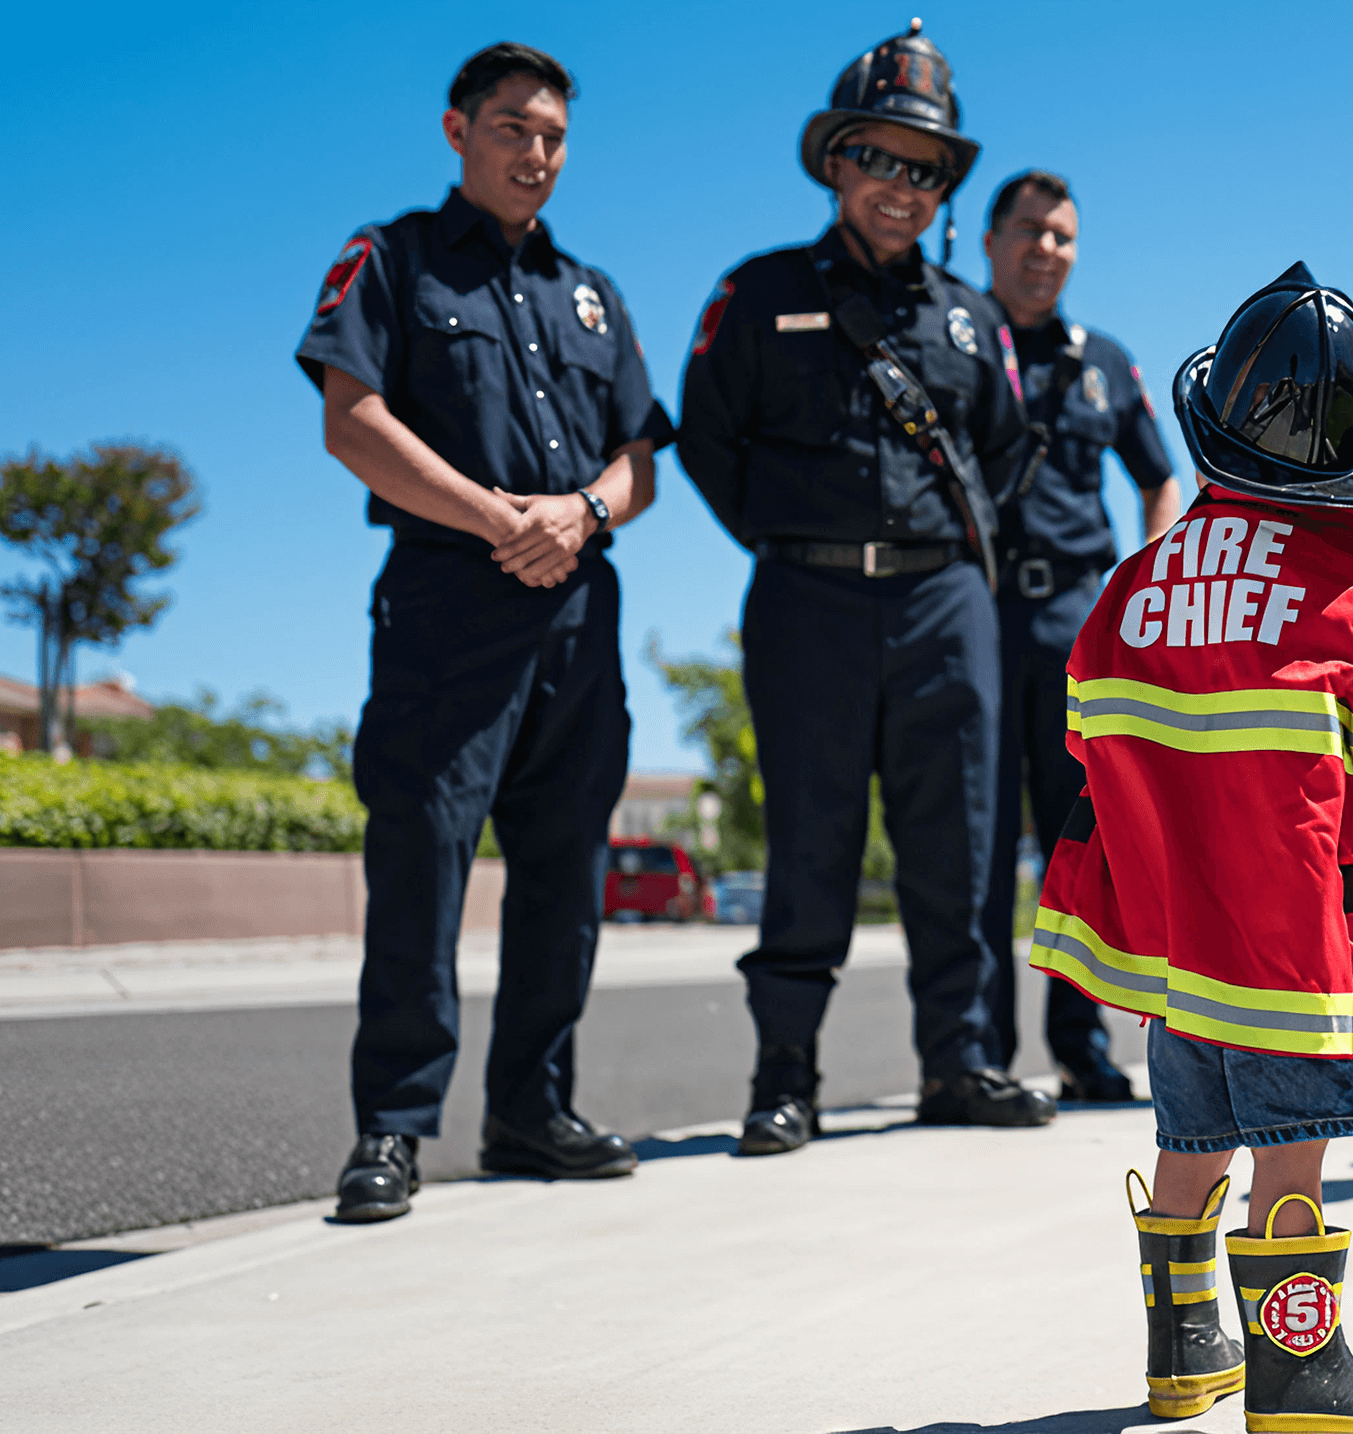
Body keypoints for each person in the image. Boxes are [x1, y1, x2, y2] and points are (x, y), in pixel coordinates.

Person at [1032, 262, 1353, 1431]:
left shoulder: (1135, 582)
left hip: (1175, 953)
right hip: (1293, 942)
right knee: (1292, 1149)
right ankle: (1299, 1375)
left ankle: (1186, 1356)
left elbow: (1089, 742)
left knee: (1193, 1136)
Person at [299, 42, 674, 1222]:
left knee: (564, 876)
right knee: (423, 858)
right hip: (448, 604)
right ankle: (393, 1128)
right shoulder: (394, 260)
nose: (536, 152)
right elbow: (350, 420)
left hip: (577, 608)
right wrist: (498, 520)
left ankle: (531, 1111)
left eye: (554, 135)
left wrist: (583, 513)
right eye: (512, 127)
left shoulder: (593, 293)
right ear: (457, 131)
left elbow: (641, 462)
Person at [678, 19, 1052, 1151]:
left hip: (945, 604)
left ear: (945, 185)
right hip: (809, 602)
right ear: (836, 159)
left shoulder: (972, 318)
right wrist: (799, 540)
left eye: (925, 167)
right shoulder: (756, 294)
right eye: (880, 158)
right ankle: (784, 1075)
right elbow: (708, 443)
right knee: (810, 839)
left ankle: (963, 1061)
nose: (901, 186)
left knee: (963, 843)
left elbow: (1006, 451)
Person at [975, 169, 1183, 1103]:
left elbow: (1158, 476)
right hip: (971, 614)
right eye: (1027, 231)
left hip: (1075, 618)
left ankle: (1080, 1045)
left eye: (1061, 236)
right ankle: (977, 1050)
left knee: (1081, 843)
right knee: (972, 839)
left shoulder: (1104, 358)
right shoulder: (955, 338)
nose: (1044, 250)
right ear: (988, 240)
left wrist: (1150, 587)